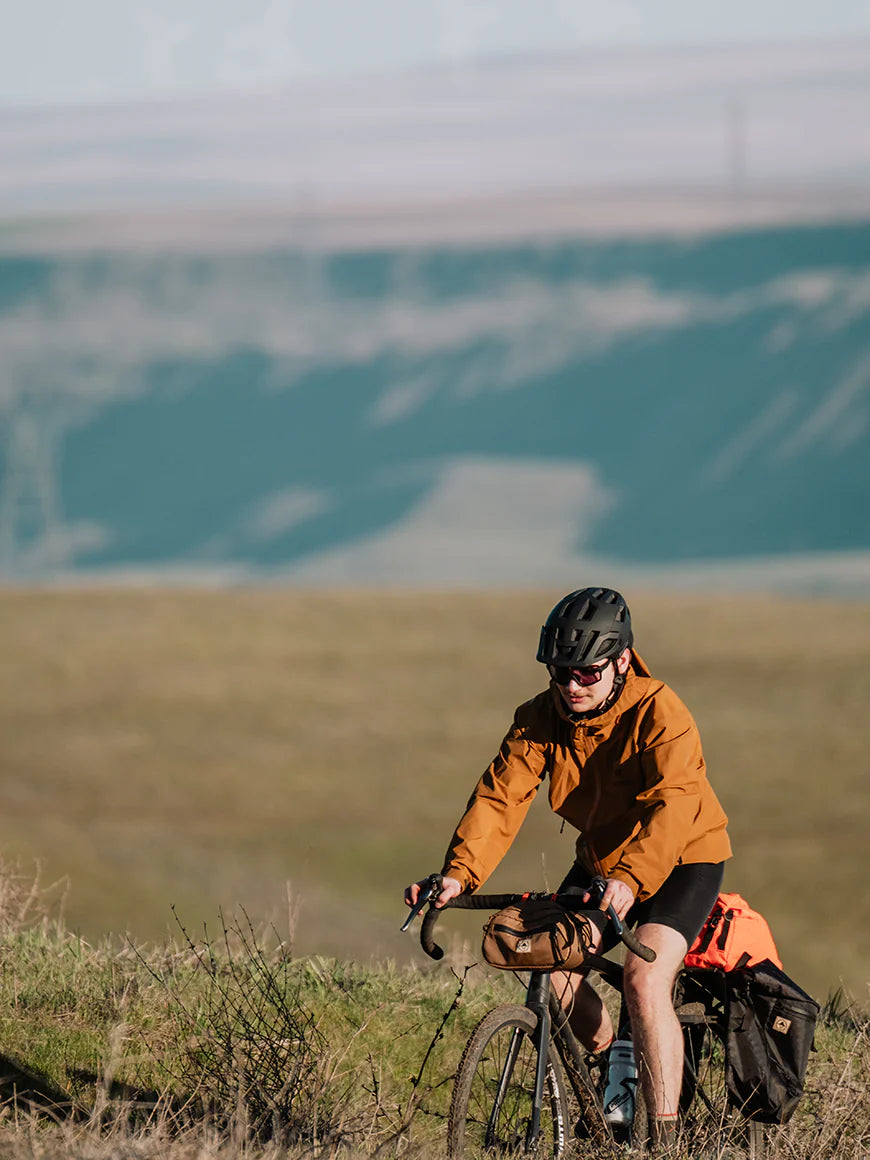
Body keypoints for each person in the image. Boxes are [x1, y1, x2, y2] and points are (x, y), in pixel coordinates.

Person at [404, 587, 731, 1151]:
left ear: (622, 661)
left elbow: (674, 803)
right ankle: (614, 1061)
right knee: (552, 975)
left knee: (643, 978)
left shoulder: (661, 711)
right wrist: (458, 874)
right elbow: (499, 799)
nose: (571, 685)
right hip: (603, 862)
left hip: (683, 858)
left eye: (586, 673)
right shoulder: (539, 717)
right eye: (560, 672)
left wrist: (631, 880)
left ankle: (666, 1145)